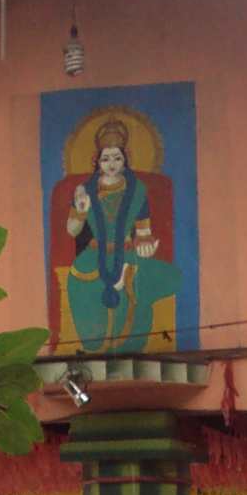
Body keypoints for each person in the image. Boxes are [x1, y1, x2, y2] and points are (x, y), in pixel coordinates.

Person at [55, 118, 180, 352]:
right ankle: (94, 345)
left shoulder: (137, 190)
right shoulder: (84, 190)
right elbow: (72, 230)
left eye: (117, 158)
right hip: (94, 254)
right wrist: (81, 211)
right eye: (105, 158)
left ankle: (131, 345)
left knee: (152, 280)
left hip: (127, 253)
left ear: (125, 160)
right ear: (97, 162)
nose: (111, 164)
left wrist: (145, 245)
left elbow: (143, 231)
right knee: (77, 282)